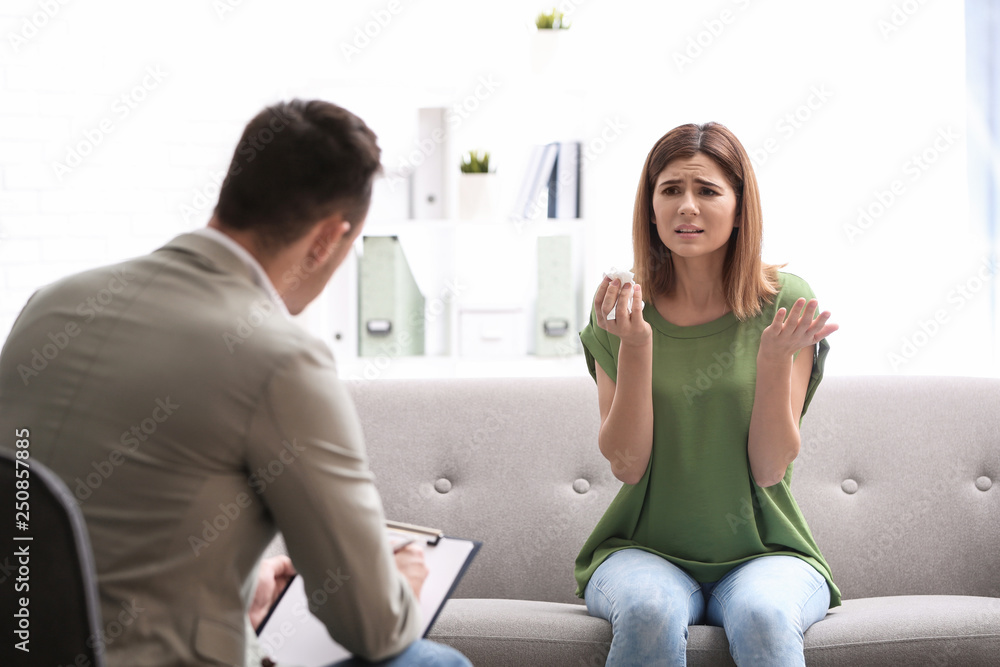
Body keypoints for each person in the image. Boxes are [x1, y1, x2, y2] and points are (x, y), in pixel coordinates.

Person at [0, 100, 469, 667]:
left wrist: (235, 596)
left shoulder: (49, 304)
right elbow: (374, 628)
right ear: (325, 241)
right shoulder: (280, 358)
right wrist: (401, 586)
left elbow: (79, 537)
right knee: (430, 661)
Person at [574, 122, 840, 666]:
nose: (686, 207)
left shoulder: (785, 302)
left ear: (741, 208)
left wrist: (771, 360)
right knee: (649, 609)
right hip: (640, 550)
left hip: (767, 552)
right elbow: (626, 466)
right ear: (650, 208)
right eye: (670, 190)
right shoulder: (621, 310)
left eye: (707, 191)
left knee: (764, 616)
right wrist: (637, 345)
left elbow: (769, 469)